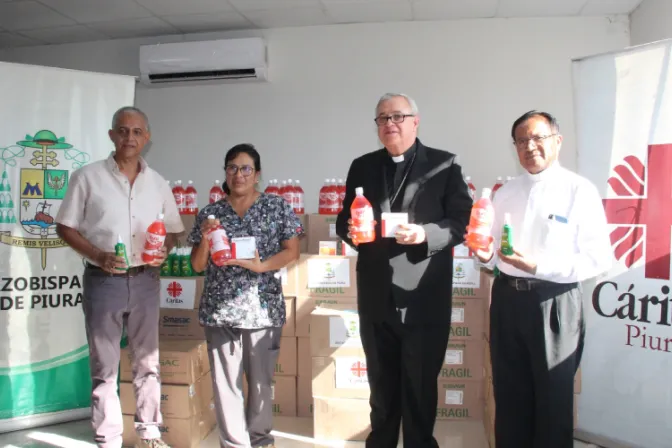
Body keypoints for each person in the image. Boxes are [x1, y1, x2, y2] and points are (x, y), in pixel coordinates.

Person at [466, 111, 612, 448]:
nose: (530, 146)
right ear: (514, 147)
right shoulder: (504, 194)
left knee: (552, 401)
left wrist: (537, 265)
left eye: (538, 138)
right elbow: (489, 256)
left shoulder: (579, 191)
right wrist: (482, 251)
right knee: (510, 396)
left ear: (556, 141)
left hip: (555, 305)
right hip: (507, 301)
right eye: (521, 141)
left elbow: (596, 259)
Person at [335, 93, 472, 447]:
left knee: (420, 387)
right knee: (381, 388)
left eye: (397, 116)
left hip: (423, 298)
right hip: (377, 295)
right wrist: (349, 231)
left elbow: (460, 222)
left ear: (415, 120)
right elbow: (343, 219)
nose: (389, 124)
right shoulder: (362, 166)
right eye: (382, 118)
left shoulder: (444, 165)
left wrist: (426, 233)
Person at [56, 106, 183, 448]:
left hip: (145, 281)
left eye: (137, 131)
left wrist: (165, 249)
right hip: (104, 280)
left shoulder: (157, 183)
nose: (130, 137)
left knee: (147, 361)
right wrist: (97, 254)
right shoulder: (87, 177)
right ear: (112, 135)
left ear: (147, 137)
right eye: (123, 131)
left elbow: (173, 232)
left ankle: (150, 432)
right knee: (105, 366)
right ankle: (108, 438)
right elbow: (64, 226)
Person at [188, 144, 302, 448]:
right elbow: (198, 265)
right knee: (226, 386)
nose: (238, 174)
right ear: (225, 173)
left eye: (245, 168)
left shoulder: (277, 207)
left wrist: (261, 265)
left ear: (257, 175)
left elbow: (293, 251)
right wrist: (205, 237)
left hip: (262, 310)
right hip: (219, 310)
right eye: (232, 168)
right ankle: (235, 444)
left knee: (261, 384)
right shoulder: (210, 212)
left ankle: (261, 441)